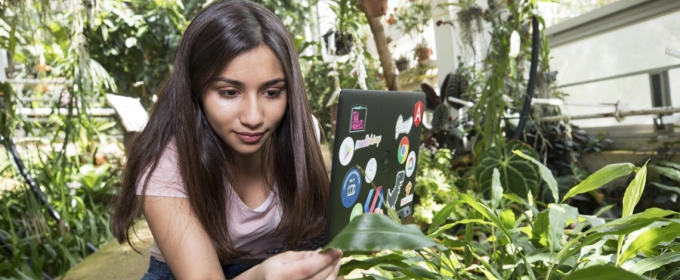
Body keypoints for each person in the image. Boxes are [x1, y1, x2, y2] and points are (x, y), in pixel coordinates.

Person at [111, 0, 342, 279]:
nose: (254, 117)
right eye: (230, 92)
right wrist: (260, 276)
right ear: (196, 89)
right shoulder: (166, 163)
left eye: (272, 92)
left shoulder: (301, 133)